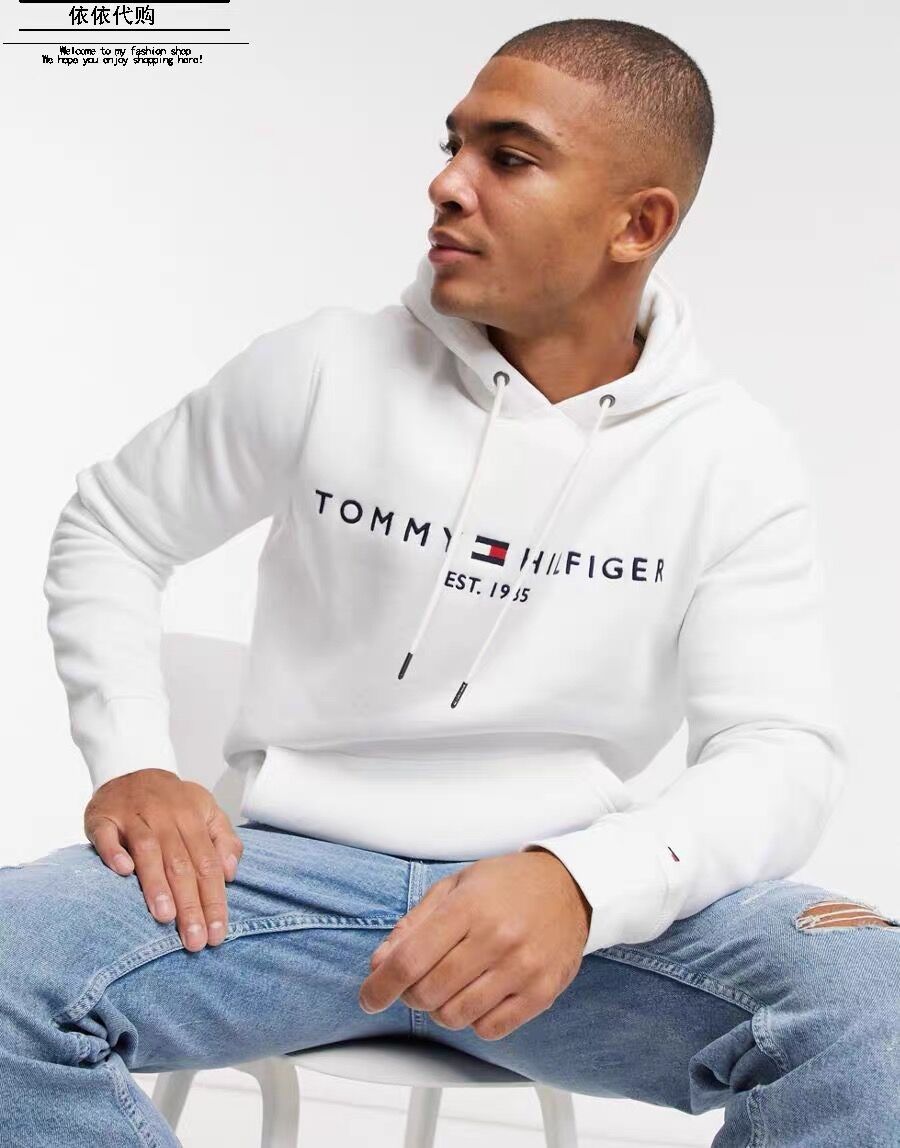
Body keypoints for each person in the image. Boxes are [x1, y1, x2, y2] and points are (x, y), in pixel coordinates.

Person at [3, 17, 897, 1147]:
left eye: (507, 158)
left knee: (875, 1002)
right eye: (453, 144)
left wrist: (580, 879)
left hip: (573, 917)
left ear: (639, 224)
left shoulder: (729, 456)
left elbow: (781, 750)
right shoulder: (325, 364)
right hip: (276, 885)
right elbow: (114, 527)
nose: (446, 183)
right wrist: (134, 757)